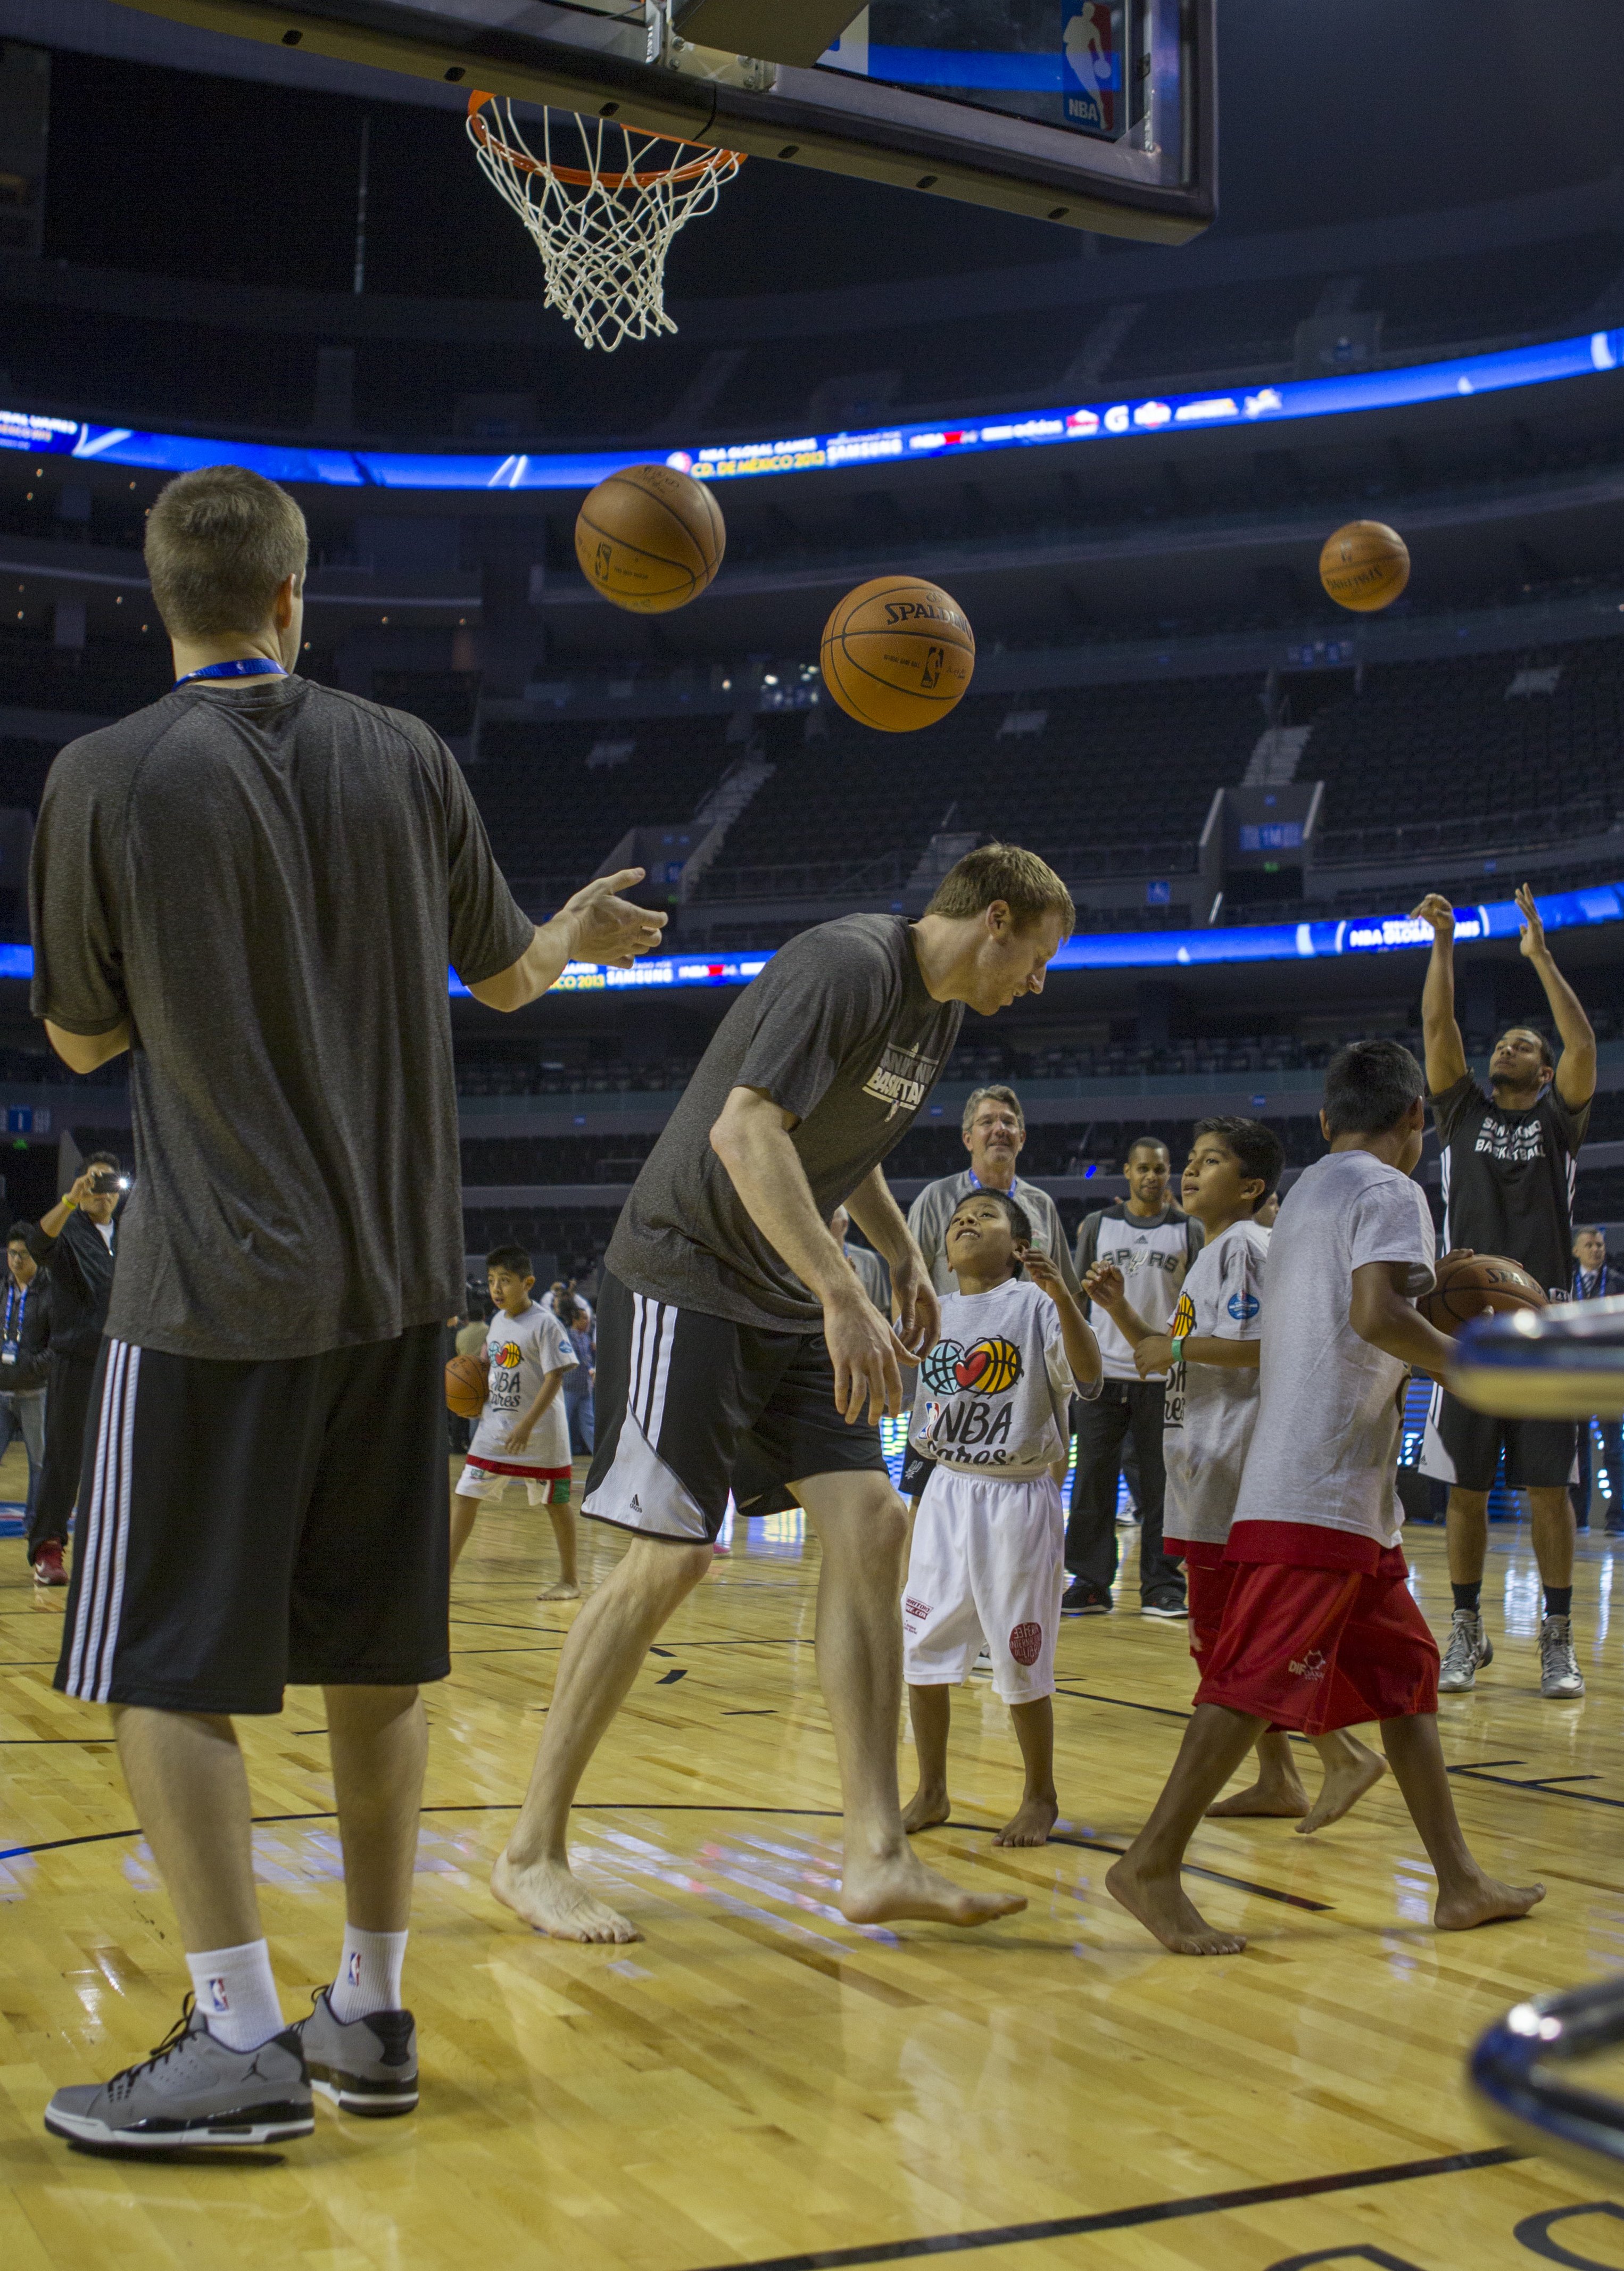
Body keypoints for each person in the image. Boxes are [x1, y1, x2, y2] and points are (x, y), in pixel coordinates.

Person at [30, 462, 664, 2152]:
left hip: (217, 1289)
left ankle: (237, 2036)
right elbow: (513, 973)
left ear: (164, 604)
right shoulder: (405, 753)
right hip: (402, 1287)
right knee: (376, 1662)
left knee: (165, 1674)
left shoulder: (103, 775)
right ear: (298, 600)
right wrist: (579, 933)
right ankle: (371, 2010)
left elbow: (85, 1041)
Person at [492, 842, 1075, 1945]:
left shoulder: (936, 1012)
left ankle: (875, 1853)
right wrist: (840, 1293)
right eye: (1037, 957)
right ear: (994, 918)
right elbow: (745, 1129)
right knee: (670, 1555)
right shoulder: (846, 963)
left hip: (780, 1284)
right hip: (688, 1272)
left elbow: (837, 1139)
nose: (1037, 982)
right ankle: (530, 1851)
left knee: (872, 1520)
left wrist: (898, 1253)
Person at [1106, 1041, 1545, 1956]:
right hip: (1317, 1483)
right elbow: (1378, 1315)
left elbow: (1370, 1309)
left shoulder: (1310, 1189)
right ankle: (1149, 1860)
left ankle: (1458, 1882)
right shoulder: (1393, 1191)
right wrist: (1476, 1363)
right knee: (1247, 1679)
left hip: (1334, 1484)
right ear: (1415, 1119)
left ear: (1322, 1120)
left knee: (1404, 1674)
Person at [1092, 1117, 1385, 1831]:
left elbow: (1257, 1347)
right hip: (1202, 1462)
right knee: (1220, 1634)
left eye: (1210, 1162)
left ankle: (1342, 1753)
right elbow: (1165, 1353)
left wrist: (1174, 1347)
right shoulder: (1212, 1251)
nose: (1190, 1171)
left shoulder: (1250, 1246)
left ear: (1252, 1187)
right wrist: (1122, 1312)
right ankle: (1280, 1776)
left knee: (1234, 1638)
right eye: (1190, 1160)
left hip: (1236, 1465)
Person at [1411, 885, 1596, 1700]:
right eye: (1508, 1041)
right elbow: (1437, 1029)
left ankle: (1556, 1639)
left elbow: (1585, 1042)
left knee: (1551, 1493)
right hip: (1472, 1331)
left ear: (1545, 1069)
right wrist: (1444, 945)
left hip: (1549, 1328)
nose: (1510, 1047)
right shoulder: (1459, 1112)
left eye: (1525, 1044)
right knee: (1466, 1493)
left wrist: (1541, 958)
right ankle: (1467, 1630)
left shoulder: (1559, 1121)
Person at [899, 1188, 1100, 1847]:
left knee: (1020, 1651)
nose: (966, 1220)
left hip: (1015, 1496)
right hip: (947, 1490)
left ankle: (1039, 1793)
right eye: (960, 1216)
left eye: (985, 1216)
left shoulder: (1035, 1303)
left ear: (1020, 1246)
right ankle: (930, 1789)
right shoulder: (936, 1310)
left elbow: (1090, 1376)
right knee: (921, 1647)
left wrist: (1064, 1295)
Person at [904, 1084, 1079, 1509]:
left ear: (1022, 1137)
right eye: (987, 1122)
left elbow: (1066, 1292)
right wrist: (912, 1365)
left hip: (1028, 1379)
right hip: (949, 1376)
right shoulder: (937, 1198)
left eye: (1008, 1122)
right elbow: (907, 1283)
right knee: (925, 1503)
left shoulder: (1041, 1205)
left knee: (1036, 1492)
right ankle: (916, 1579)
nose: (998, 1129)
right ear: (968, 1139)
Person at [1067, 1136, 1202, 1618]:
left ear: (1169, 1174)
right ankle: (1089, 1583)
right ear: (1127, 1171)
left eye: (1160, 1169)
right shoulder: (1098, 1226)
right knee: (1092, 1481)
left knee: (1163, 1487)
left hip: (1163, 1377)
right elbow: (1076, 1301)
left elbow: (1199, 1303)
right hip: (1102, 1375)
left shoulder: (1189, 1230)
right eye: (1143, 1168)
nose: (1151, 1176)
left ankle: (1162, 1586)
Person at [450, 1246, 580, 1599]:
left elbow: (556, 1378)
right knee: (465, 1495)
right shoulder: (497, 1321)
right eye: (492, 1281)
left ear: (528, 1283)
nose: (496, 1289)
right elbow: (487, 1361)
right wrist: (473, 1390)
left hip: (539, 1435)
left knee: (556, 1504)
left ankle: (570, 1580)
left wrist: (526, 1425)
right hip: (494, 1429)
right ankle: (441, 1579)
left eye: (505, 1281)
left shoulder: (545, 1323)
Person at [25, 1154, 122, 1587]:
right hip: (77, 1361)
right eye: (95, 1184)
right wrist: (70, 1200)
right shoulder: (70, 1230)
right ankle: (48, 1549)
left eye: (110, 1184)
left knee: (125, 1459)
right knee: (64, 1458)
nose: (103, 1193)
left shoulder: (133, 1233)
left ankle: (117, 1550)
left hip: (126, 1360)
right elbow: (37, 1245)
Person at [1569, 1225, 1624, 1535]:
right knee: (1578, 1451)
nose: (1596, 1250)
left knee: (1615, 1451)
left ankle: (1617, 1519)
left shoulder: (1618, 1283)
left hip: (1608, 1378)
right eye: (1589, 1245)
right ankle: (1578, 1518)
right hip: (1576, 1378)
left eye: (1600, 1245)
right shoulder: (1566, 1284)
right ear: (1576, 1251)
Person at [0, 1221, 50, 1540]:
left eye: (24, 1254)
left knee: (39, 1464)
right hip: (1, 1392)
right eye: (12, 1254)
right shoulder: (2, 1289)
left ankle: (35, 1526)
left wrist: (33, 1366)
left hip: (35, 1392)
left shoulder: (52, 1292)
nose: (17, 1261)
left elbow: (59, 1345)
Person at [831, 1203, 891, 1315]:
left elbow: (880, 1309)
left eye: (829, 1218)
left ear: (844, 1225)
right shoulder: (810, 1260)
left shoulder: (867, 1260)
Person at [560, 1297, 596, 1458]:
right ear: (575, 1320)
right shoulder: (568, 1336)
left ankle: (598, 1454)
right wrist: (591, 1370)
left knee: (589, 1423)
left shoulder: (586, 1337)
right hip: (570, 1386)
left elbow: (587, 1359)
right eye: (585, 1318)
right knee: (562, 1422)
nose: (588, 1321)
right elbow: (579, 1358)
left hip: (584, 1387)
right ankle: (558, 1455)